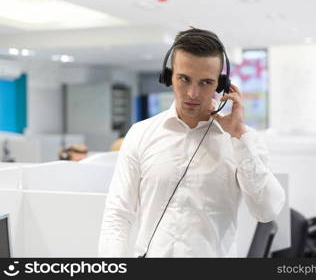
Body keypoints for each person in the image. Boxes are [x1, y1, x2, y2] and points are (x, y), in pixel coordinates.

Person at [98, 27, 285, 257]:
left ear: (221, 84)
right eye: (184, 79)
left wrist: (238, 137)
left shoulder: (243, 140)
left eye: (205, 82)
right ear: (168, 76)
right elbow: (118, 214)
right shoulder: (140, 134)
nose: (193, 93)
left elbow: (266, 211)